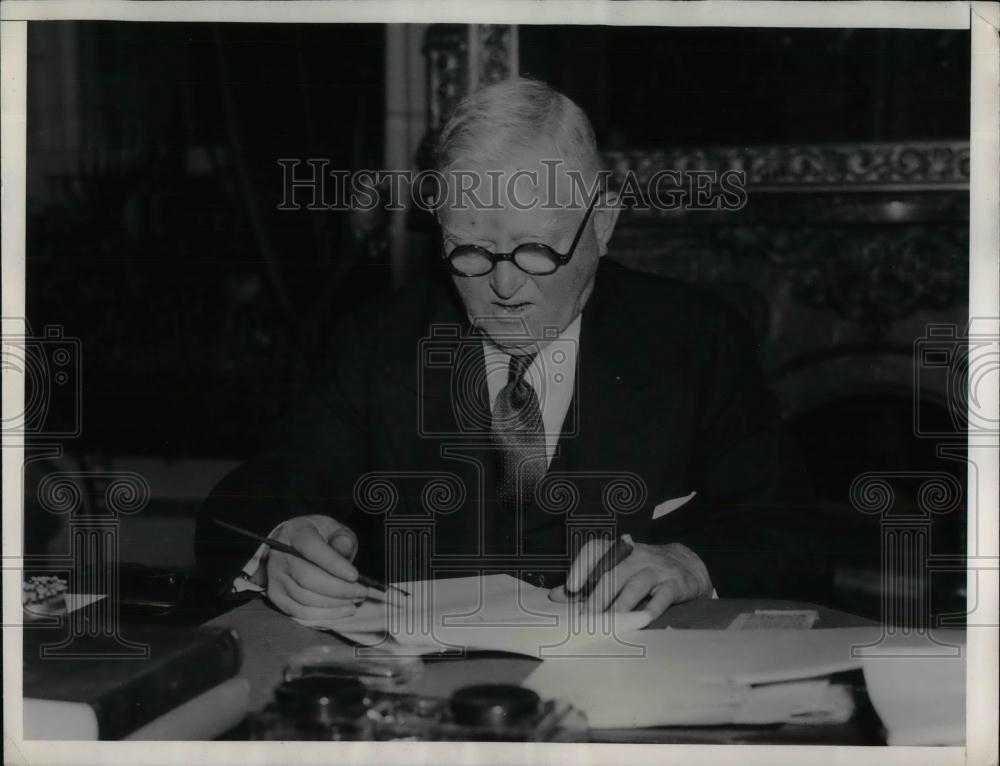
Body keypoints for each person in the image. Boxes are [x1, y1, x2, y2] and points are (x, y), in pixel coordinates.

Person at [195, 77, 831, 623]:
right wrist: (280, 546)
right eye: (469, 250)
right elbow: (247, 502)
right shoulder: (377, 342)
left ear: (602, 225)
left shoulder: (696, 340)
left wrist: (689, 562)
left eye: (537, 249)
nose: (503, 286)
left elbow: (796, 533)